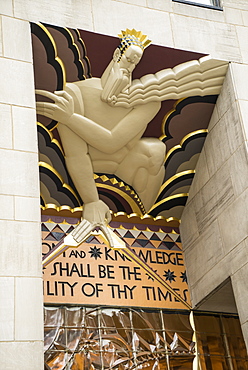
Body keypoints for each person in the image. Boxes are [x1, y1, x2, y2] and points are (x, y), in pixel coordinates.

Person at [36, 30, 166, 225]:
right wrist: (91, 200)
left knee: (155, 150)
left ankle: (140, 222)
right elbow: (76, 154)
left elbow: (112, 142)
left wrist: (71, 118)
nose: (129, 68)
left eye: (135, 63)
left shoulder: (146, 102)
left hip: (126, 170)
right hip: (84, 174)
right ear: (116, 55)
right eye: (128, 60)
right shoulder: (76, 91)